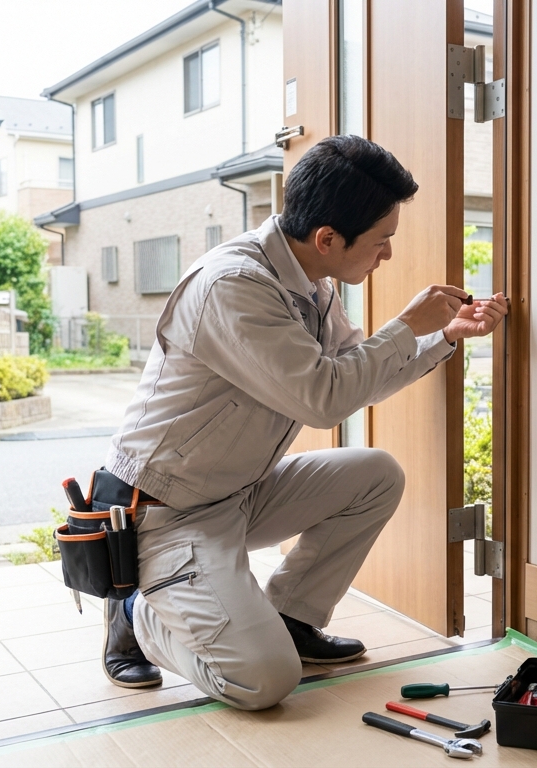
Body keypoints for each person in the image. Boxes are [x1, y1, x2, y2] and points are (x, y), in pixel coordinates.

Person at [95, 135, 508, 710]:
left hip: (238, 491)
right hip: (168, 510)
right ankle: (137, 609)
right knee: (263, 681)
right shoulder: (233, 285)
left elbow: (356, 373)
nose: (388, 254)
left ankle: (291, 617)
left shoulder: (310, 281)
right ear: (327, 238)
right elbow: (322, 399)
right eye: (382, 240)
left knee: (375, 475)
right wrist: (406, 325)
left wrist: (444, 336)